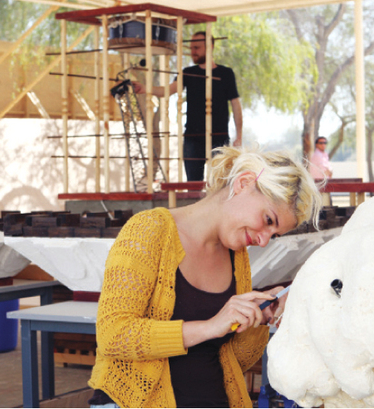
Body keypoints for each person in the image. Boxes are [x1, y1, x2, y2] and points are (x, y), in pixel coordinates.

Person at [87, 146, 323, 408]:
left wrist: (260, 317)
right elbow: (113, 335)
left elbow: (233, 360)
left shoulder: (237, 256)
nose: (264, 240)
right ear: (244, 183)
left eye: (274, 235)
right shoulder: (149, 230)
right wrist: (210, 326)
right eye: (268, 220)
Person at [133, 32, 243, 181]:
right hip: (193, 138)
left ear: (210, 47)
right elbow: (167, 91)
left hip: (219, 137)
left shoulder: (226, 73)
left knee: (220, 182)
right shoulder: (188, 73)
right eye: (191, 48)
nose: (193, 51)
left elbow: (236, 105)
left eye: (197, 47)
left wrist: (239, 136)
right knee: (193, 183)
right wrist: (145, 88)